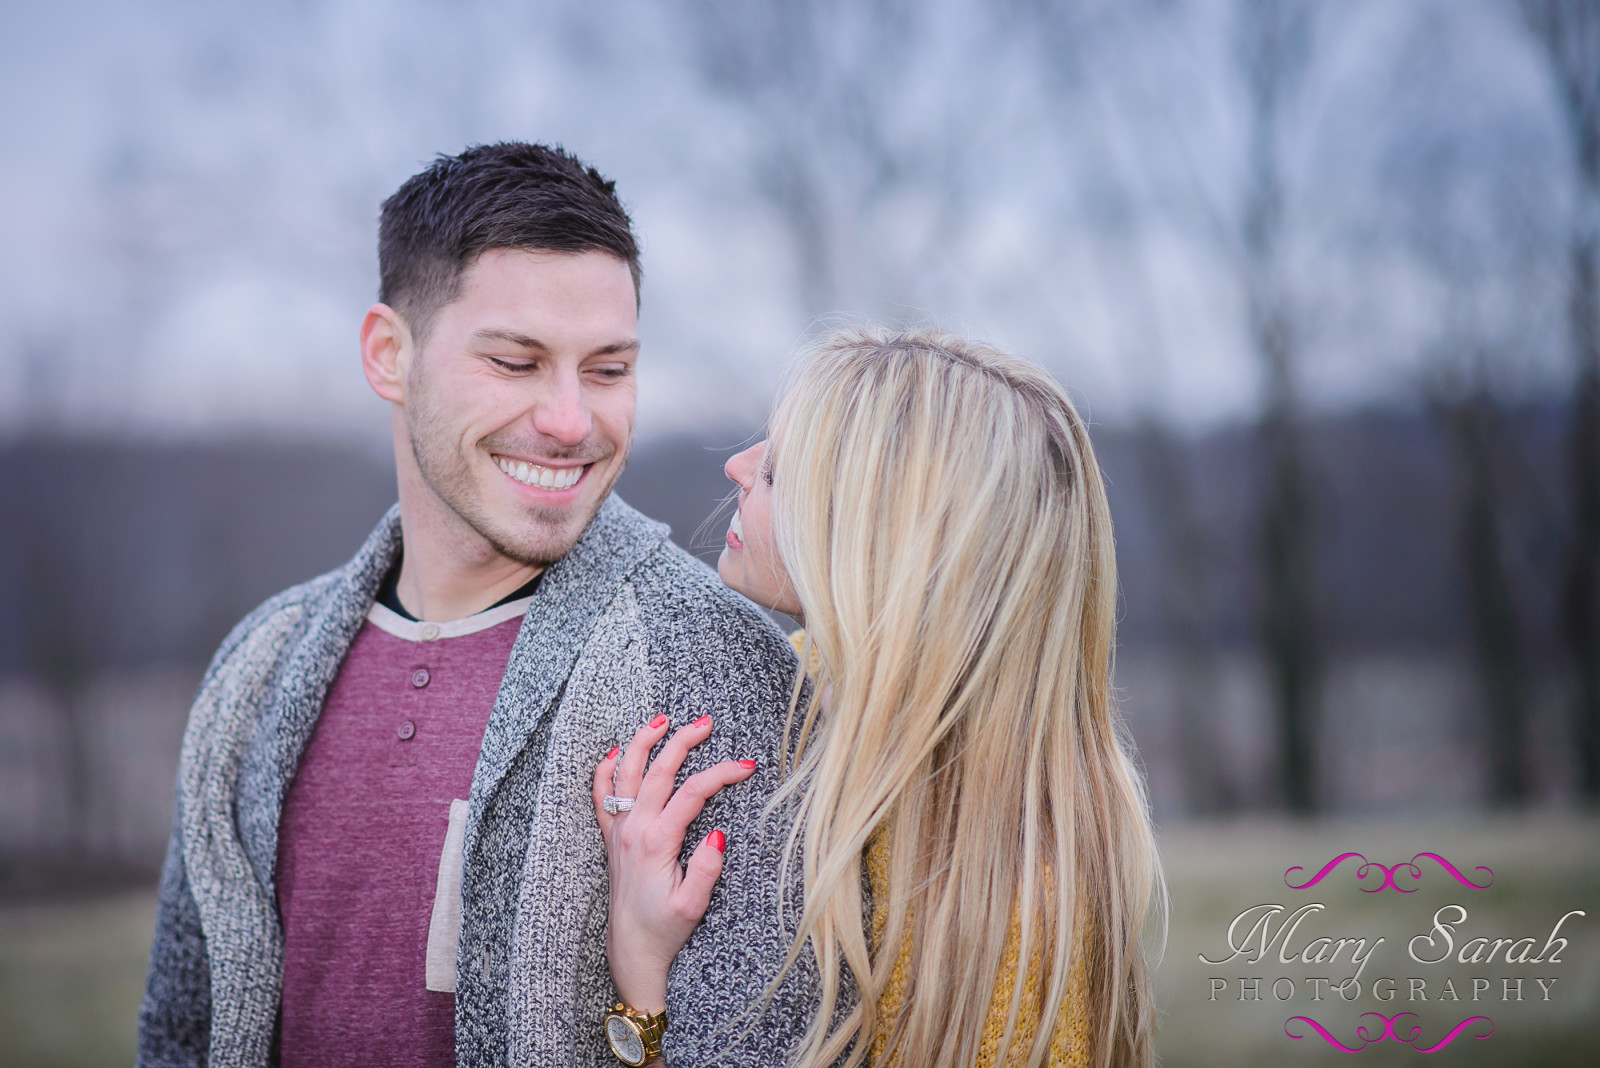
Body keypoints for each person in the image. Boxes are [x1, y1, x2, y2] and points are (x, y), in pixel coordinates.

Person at [137, 142, 814, 1068]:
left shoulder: (717, 670)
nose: (572, 420)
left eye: (608, 370)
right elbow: (181, 1033)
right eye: (516, 361)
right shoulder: (257, 671)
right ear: (389, 354)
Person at [595, 327, 1163, 1067]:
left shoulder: (1000, 907)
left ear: (878, 542)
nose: (737, 467)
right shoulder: (793, 688)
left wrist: (639, 977)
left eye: (778, 474)